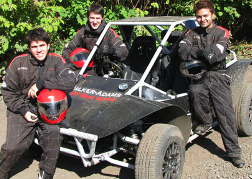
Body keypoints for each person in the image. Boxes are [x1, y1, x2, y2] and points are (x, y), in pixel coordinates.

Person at [0, 28, 76, 179]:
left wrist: (42, 83)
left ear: (48, 45)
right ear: (29, 48)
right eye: (34, 47)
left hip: (49, 109)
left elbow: (70, 81)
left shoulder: (57, 60)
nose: (39, 50)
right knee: (12, 148)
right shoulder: (18, 62)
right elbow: (8, 92)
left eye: (42, 45)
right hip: (22, 107)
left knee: (53, 136)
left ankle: (46, 174)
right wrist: (23, 111)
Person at [178, 0, 245, 168]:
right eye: (199, 17)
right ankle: (206, 122)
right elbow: (182, 51)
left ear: (212, 15)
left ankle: (234, 153)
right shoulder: (191, 33)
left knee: (226, 114)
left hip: (217, 75)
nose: (202, 19)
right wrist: (201, 52)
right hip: (197, 75)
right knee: (195, 93)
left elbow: (214, 56)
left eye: (205, 16)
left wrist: (197, 53)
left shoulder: (222, 32)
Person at [62, 3, 129, 74]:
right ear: (88, 17)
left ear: (102, 18)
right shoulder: (82, 33)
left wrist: (110, 50)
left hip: (106, 72)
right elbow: (67, 50)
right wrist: (68, 62)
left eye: (97, 18)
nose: (94, 21)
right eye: (92, 18)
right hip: (86, 70)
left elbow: (124, 52)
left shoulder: (109, 33)